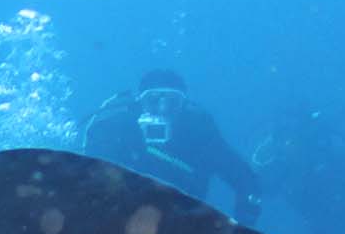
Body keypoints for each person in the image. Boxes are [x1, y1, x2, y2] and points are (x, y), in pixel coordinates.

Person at [80, 68, 271, 223]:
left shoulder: (200, 136)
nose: (162, 109)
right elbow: (89, 174)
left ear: (184, 106)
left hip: (180, 226)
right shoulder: (120, 128)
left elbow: (245, 179)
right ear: (140, 103)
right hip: (118, 217)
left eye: (172, 102)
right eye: (153, 100)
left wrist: (244, 227)